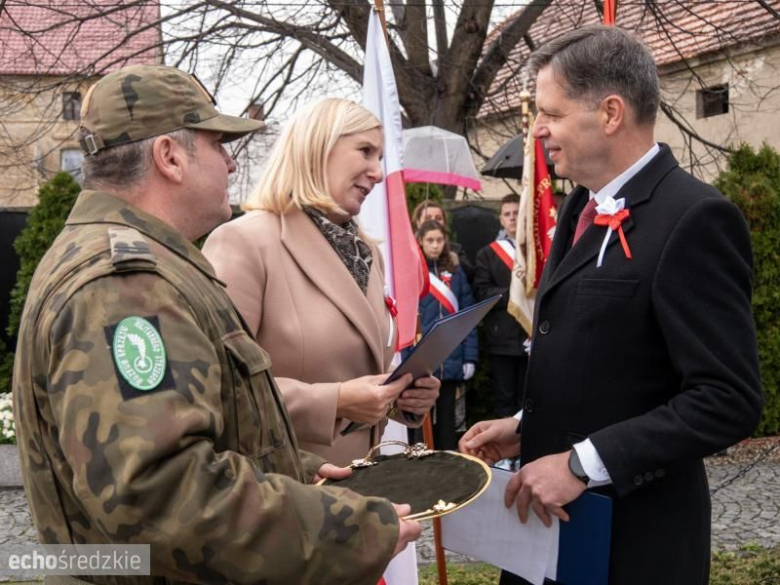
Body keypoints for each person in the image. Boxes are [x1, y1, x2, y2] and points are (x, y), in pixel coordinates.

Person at [12, 65, 421, 585]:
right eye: (218, 144)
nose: (231, 163)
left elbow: (210, 424)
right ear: (170, 157)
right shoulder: (122, 285)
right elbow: (159, 494)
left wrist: (296, 470)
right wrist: (349, 529)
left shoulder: (147, 265)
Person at [459, 25, 763, 585]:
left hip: (634, 542)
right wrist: (529, 425)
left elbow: (728, 398)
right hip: (549, 537)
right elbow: (605, 361)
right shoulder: (577, 207)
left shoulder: (693, 218)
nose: (539, 130)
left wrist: (581, 463)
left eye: (550, 113)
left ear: (611, 113)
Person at [202, 98, 440, 468]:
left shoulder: (366, 253)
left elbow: (356, 370)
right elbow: (217, 387)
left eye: (379, 158)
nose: (377, 173)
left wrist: (399, 400)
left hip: (361, 491)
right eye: (365, 151)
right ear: (317, 148)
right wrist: (337, 401)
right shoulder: (244, 242)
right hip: (286, 490)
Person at [409, 219, 478, 450]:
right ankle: (419, 457)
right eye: (430, 240)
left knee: (448, 417)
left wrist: (469, 357)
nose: (435, 245)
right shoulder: (412, 272)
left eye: (439, 240)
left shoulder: (457, 273)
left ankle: (447, 456)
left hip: (451, 356)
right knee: (420, 415)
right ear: (420, 242)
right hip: (422, 357)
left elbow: (467, 317)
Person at [473, 194, 529, 422]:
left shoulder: (537, 250)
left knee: (529, 399)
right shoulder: (487, 254)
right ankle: (505, 453)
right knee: (504, 398)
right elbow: (482, 293)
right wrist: (515, 293)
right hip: (502, 336)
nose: (512, 218)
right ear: (501, 219)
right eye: (507, 214)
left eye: (516, 213)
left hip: (532, 336)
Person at [411, 200, 474, 281]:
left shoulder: (456, 249)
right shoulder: (408, 251)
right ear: (418, 222)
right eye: (428, 218)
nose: (433, 221)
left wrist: (457, 263)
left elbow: (470, 277)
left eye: (438, 218)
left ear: (444, 222)